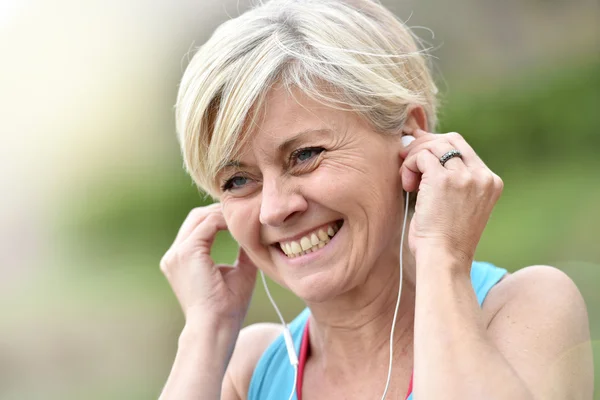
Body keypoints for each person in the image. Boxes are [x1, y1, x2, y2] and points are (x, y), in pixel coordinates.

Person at [158, 0, 594, 399]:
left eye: (304, 155)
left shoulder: (527, 310)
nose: (274, 208)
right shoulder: (248, 369)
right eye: (237, 180)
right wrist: (206, 331)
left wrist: (442, 256)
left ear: (409, 136)